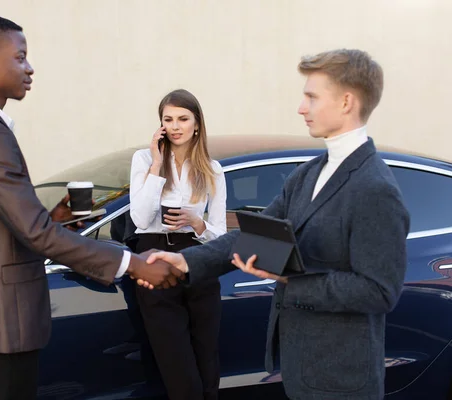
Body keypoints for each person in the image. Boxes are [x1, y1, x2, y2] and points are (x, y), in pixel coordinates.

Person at [0, 14, 182, 400]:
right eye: (20, 57)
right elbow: (35, 233)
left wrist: (55, 219)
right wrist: (132, 264)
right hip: (1, 319)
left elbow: (9, 225)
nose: (29, 67)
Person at [145, 49, 410, 400]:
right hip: (299, 367)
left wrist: (290, 279)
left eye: (311, 97)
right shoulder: (307, 175)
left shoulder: (375, 188)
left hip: (342, 380)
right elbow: (254, 234)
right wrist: (186, 261)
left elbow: (379, 290)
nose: (302, 107)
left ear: (346, 102)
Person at [129, 89, 227, 400]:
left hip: (199, 260)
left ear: (197, 124)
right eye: (168, 119)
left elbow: (222, 236)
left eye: (183, 119)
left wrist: (198, 224)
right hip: (156, 260)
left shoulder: (212, 169)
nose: (175, 126)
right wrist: (157, 166)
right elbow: (141, 219)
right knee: (176, 363)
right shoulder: (144, 159)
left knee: (206, 360)